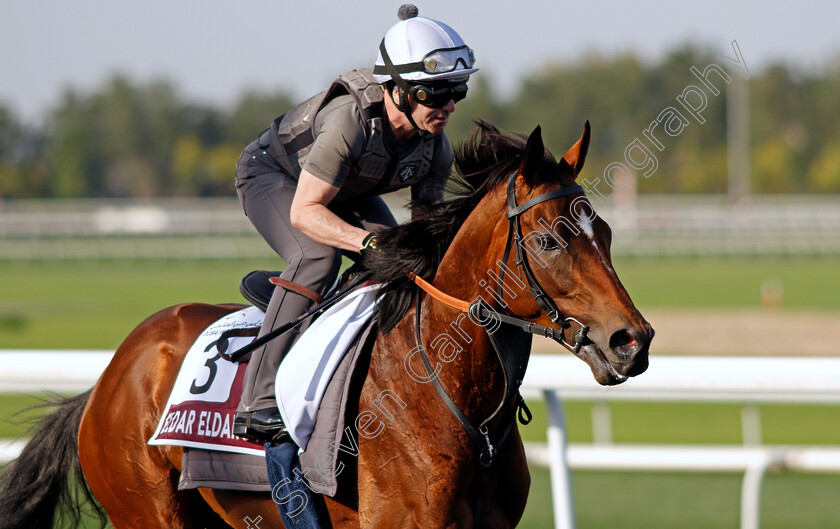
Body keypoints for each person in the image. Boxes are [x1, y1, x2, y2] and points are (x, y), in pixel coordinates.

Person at [232, 4, 478, 440]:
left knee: (398, 254)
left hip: (344, 191)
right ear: (398, 89)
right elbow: (305, 211)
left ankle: (292, 302)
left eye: (457, 90)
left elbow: (425, 234)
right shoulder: (350, 122)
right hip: (276, 176)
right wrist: (365, 243)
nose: (449, 106)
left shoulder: (436, 147)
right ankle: (259, 400)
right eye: (434, 93)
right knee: (319, 255)